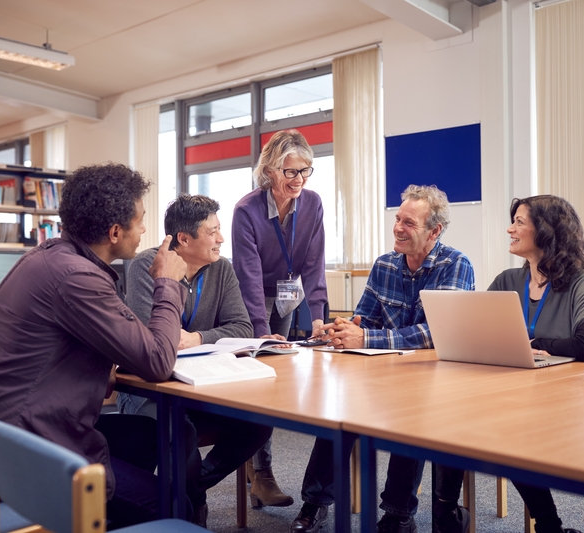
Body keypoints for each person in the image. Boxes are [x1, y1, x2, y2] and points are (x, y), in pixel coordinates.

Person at [0, 163, 192, 528]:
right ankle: (100, 511)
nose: (143, 229)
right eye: (139, 221)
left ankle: (94, 516)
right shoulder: (77, 277)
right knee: (175, 505)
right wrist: (168, 283)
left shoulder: (50, 257)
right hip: (11, 458)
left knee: (157, 436)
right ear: (114, 231)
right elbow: (156, 360)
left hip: (0, 437)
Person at [292, 185, 475, 533]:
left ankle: (396, 513)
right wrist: (346, 328)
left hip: (431, 380)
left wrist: (368, 336)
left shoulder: (455, 265)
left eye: (409, 222)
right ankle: (315, 503)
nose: (398, 228)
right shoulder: (385, 265)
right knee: (337, 411)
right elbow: (367, 319)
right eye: (397, 219)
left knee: (414, 416)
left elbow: (436, 333)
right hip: (382, 374)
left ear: (433, 231)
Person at [438, 194, 584, 533]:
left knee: (508, 430)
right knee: (448, 422)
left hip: (562, 399)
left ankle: (549, 524)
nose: (510, 229)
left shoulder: (578, 281)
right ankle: (445, 517)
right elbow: (474, 330)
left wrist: (536, 344)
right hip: (511, 395)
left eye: (519, 222)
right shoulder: (506, 281)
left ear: (545, 230)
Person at [118, 193, 272, 526]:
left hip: (202, 386)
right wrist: (180, 339)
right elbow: (153, 338)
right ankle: (189, 506)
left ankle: (191, 490)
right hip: (151, 388)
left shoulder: (222, 269)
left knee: (258, 423)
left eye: (220, 229)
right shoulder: (148, 265)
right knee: (180, 432)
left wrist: (198, 338)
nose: (221, 239)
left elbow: (242, 327)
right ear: (184, 239)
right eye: (213, 231)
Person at [232, 129, 329, 507]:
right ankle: (262, 471)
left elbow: (314, 265)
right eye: (290, 172)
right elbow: (248, 277)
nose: (299, 180)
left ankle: (259, 471)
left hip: (289, 295)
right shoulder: (247, 210)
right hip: (251, 298)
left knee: (280, 379)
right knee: (261, 380)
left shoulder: (313, 203)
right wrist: (260, 334)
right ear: (270, 170)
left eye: (306, 171)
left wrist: (318, 317)